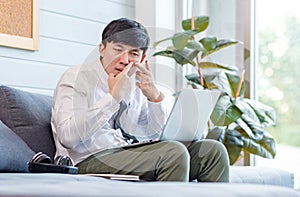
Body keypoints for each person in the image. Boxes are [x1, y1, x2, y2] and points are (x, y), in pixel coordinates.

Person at [51, 17, 229, 182]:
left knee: (212, 152)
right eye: (118, 49)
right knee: (172, 153)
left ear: (143, 58)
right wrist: (113, 98)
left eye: (134, 54)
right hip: (85, 160)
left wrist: (154, 97)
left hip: (127, 153)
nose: (124, 59)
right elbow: (68, 137)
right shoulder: (76, 77)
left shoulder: (135, 83)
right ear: (102, 48)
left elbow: (160, 136)